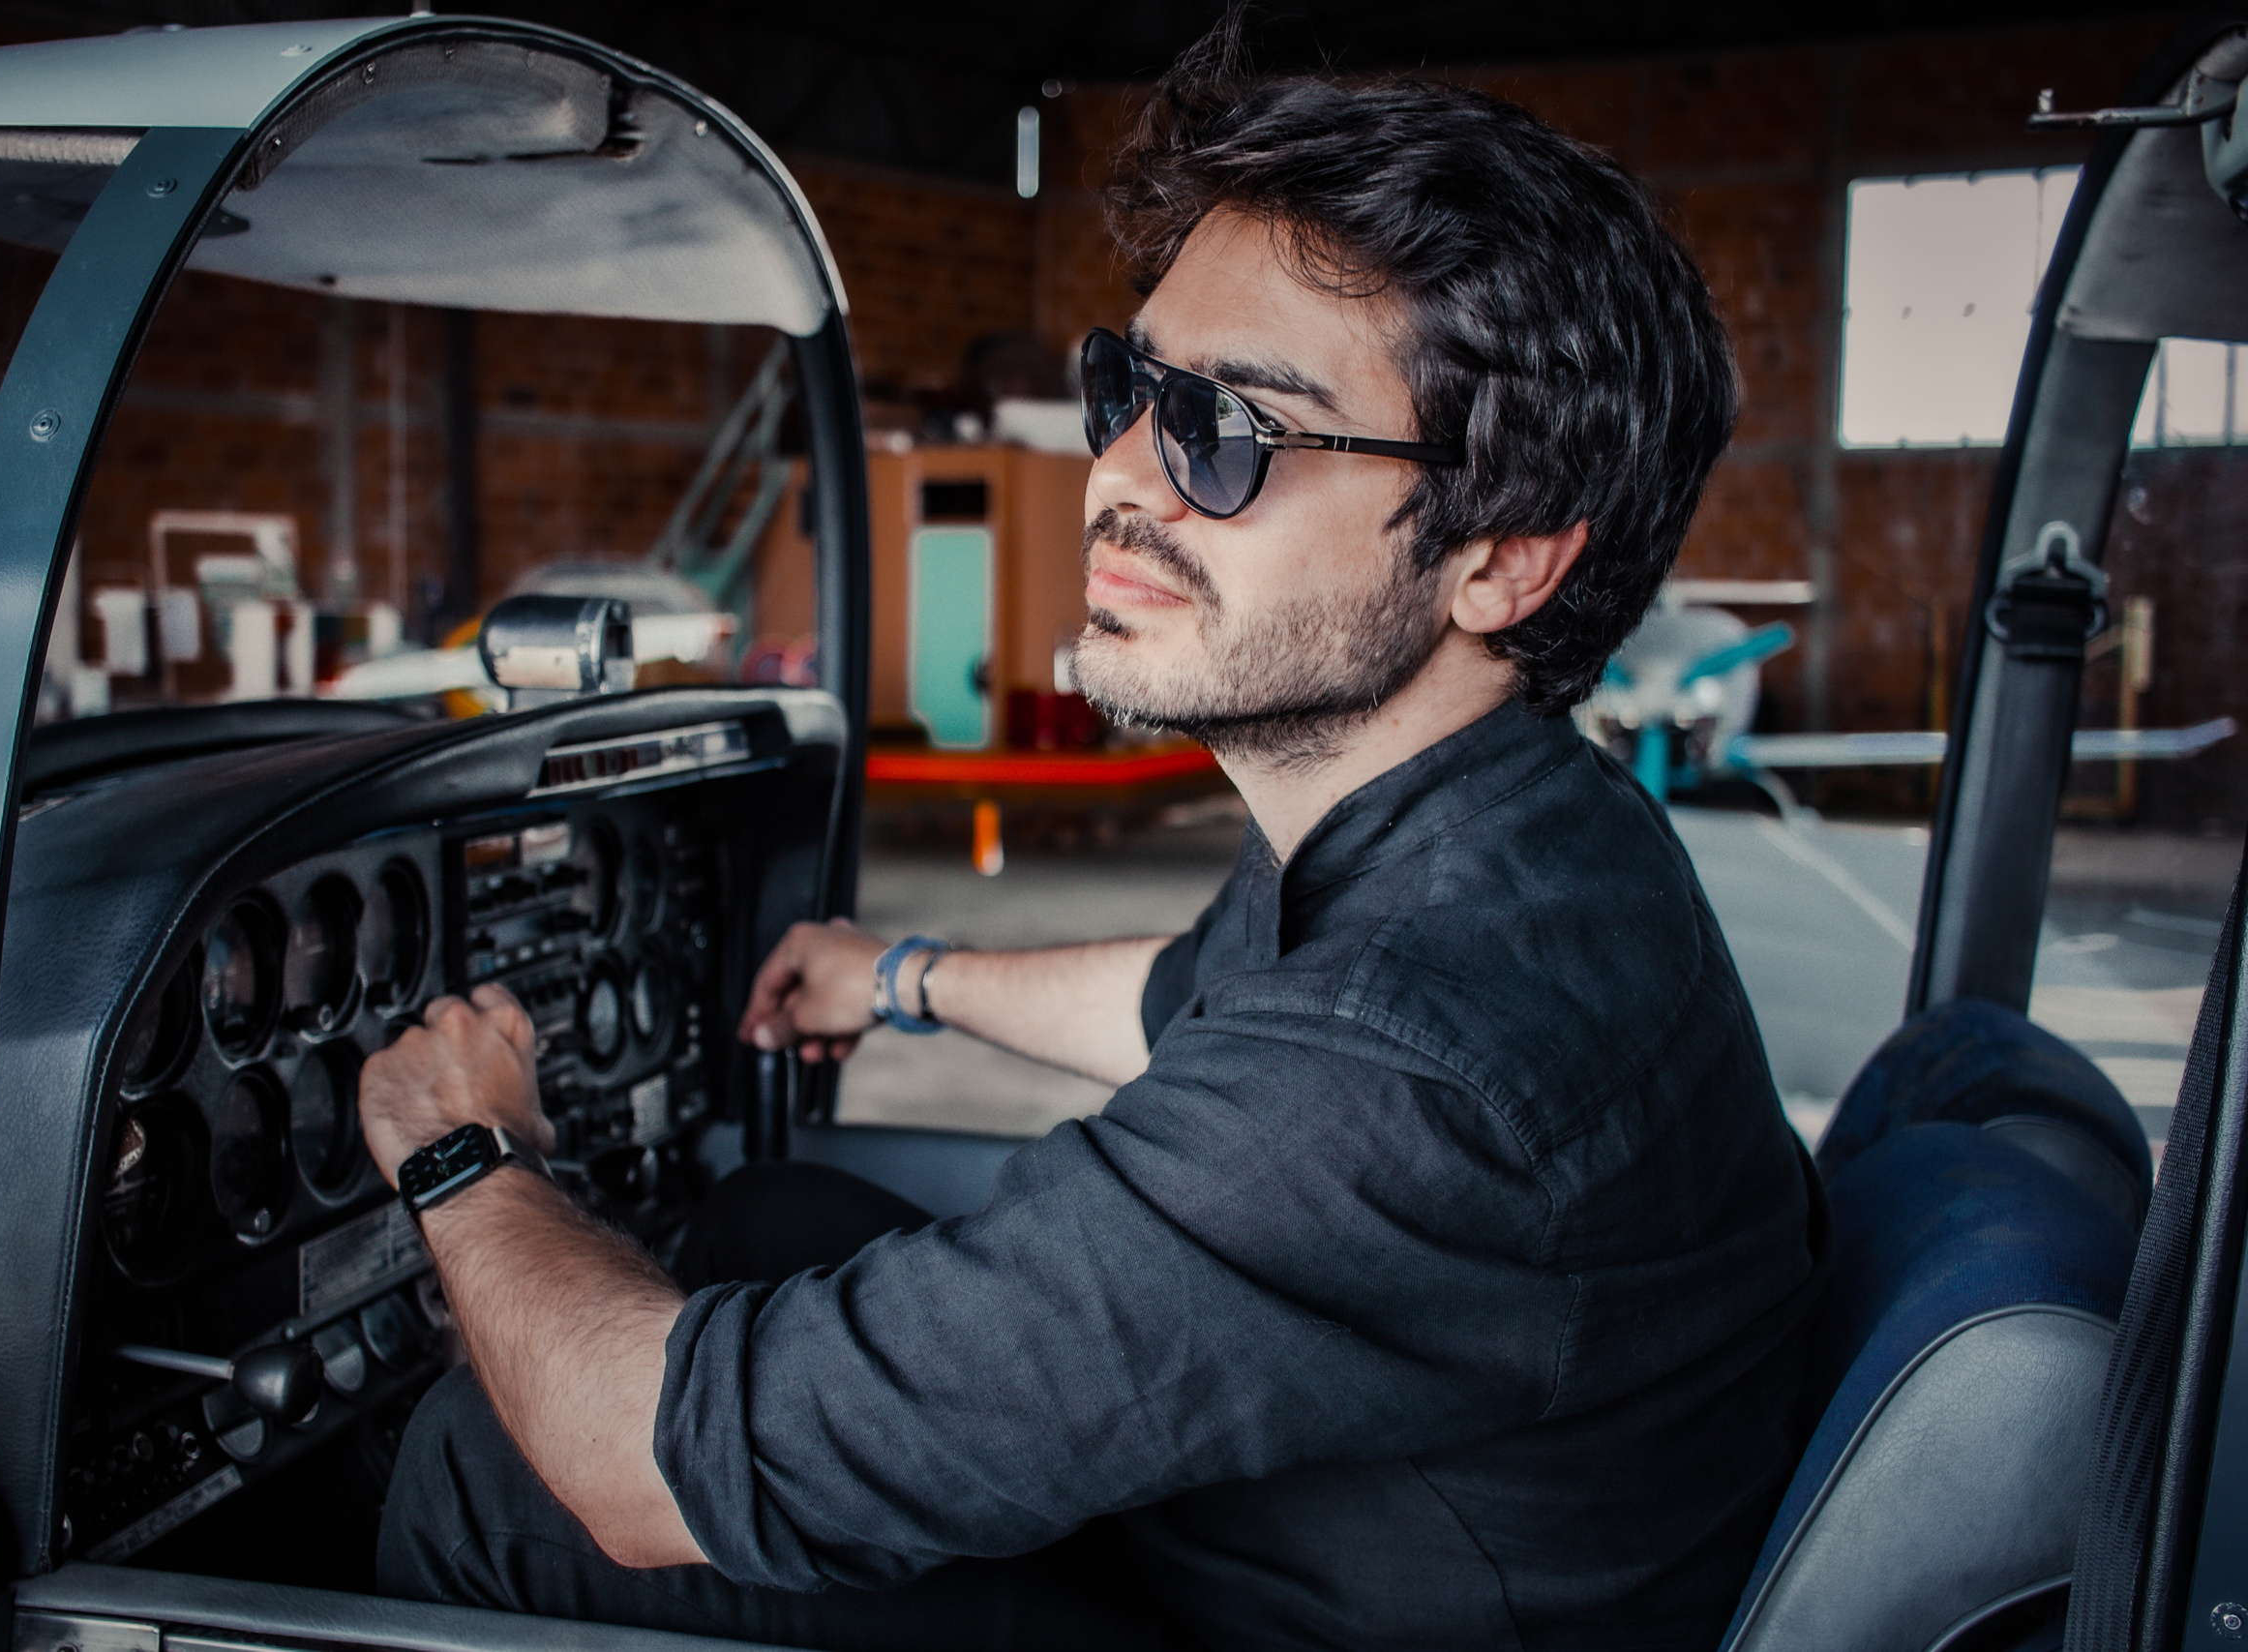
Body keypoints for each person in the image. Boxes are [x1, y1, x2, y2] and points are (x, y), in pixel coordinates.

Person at [358, 27, 1828, 1652]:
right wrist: (901, 977)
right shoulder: (1507, 838)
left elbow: (645, 1473)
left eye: (1231, 433)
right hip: (1346, 1534)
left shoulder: (1401, 1067)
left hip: (1298, 1618)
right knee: (762, 1226)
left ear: (1505, 563)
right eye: (1130, 390)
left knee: (493, 1474)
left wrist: (460, 1151)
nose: (1118, 474)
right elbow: (1192, 994)